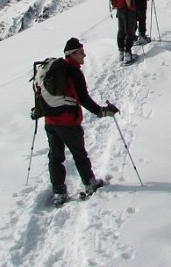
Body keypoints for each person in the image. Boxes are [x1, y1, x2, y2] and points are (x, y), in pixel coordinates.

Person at [44, 37, 119, 205]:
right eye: (81, 52)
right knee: (79, 154)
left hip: (50, 120)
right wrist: (101, 111)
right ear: (73, 54)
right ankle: (90, 183)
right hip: (68, 122)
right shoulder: (73, 72)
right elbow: (83, 99)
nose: (84, 55)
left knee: (55, 157)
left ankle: (59, 192)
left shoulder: (55, 70)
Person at [120, 0, 138, 64]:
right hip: (128, 11)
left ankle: (125, 53)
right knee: (130, 32)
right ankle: (128, 55)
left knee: (126, 31)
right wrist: (130, 6)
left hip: (122, 11)